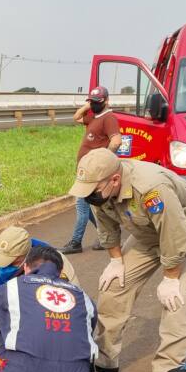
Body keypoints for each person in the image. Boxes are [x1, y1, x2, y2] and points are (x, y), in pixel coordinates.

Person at [69, 149, 186, 372]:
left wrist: (171, 278)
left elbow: (176, 236)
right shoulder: (97, 191)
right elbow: (107, 227)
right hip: (148, 232)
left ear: (115, 180)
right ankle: (105, 358)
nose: (89, 197)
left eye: (93, 192)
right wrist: (116, 261)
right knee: (114, 285)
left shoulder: (151, 188)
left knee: (177, 299)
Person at [59, 86, 121, 255]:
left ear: (106, 101)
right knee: (91, 206)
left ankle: (76, 242)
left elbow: (116, 140)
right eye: (92, 102)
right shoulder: (93, 116)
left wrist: (104, 159)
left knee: (81, 206)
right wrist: (88, 105)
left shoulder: (108, 118)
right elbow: (76, 117)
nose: (94, 105)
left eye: (97, 102)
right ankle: (106, 236)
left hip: (93, 172)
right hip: (84, 170)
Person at [0, 224, 80, 308]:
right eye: (2, 260)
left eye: (12, 262)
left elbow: (75, 296)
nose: (4, 267)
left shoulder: (54, 260)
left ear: (28, 257)